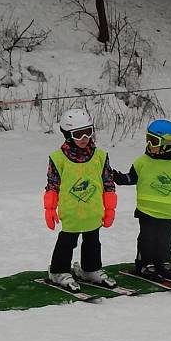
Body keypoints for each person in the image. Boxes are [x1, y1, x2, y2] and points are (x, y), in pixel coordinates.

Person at [43, 108, 117, 290]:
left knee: (93, 240)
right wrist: (50, 209)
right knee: (67, 242)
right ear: (68, 135)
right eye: (78, 134)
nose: (84, 138)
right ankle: (58, 270)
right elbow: (52, 184)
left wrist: (110, 209)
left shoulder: (100, 156)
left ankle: (89, 269)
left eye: (88, 132)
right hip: (71, 213)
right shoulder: (58, 158)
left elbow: (108, 183)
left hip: (93, 210)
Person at [112, 120, 171, 280]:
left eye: (153, 141)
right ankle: (144, 264)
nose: (148, 143)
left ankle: (163, 263)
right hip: (146, 211)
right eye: (148, 138)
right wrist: (120, 178)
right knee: (147, 239)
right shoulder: (142, 161)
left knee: (164, 240)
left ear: (168, 144)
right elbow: (132, 177)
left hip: (167, 213)